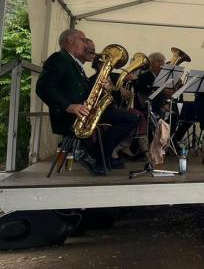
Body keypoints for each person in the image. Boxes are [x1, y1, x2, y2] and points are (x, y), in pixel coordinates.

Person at [35, 29, 137, 175]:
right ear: (70, 40)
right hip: (71, 115)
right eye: (83, 40)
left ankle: (96, 154)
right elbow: (43, 88)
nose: (86, 44)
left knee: (131, 118)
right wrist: (69, 106)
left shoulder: (74, 63)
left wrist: (103, 88)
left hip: (84, 112)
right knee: (130, 119)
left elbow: (84, 91)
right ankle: (96, 155)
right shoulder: (59, 58)